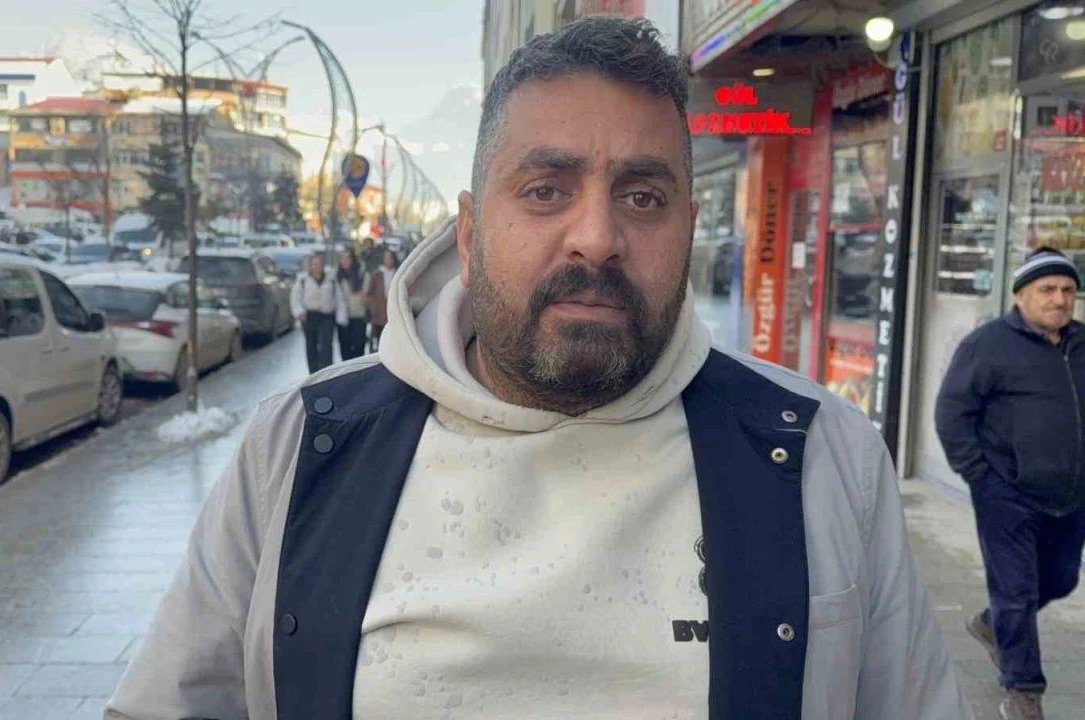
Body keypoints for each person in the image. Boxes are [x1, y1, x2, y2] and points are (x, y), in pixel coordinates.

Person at [106, 16, 970, 720]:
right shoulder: (299, 445)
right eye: (546, 190)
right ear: (470, 233)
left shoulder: (823, 457)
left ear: (688, 227)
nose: (596, 237)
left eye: (643, 197)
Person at [935, 246, 1085, 720]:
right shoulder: (988, 344)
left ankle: (994, 625)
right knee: (1015, 592)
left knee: (1061, 579)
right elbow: (952, 412)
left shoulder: (1082, 344)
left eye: (1068, 290)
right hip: (1007, 494)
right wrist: (981, 477)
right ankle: (1023, 690)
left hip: (1072, 495)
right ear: (1021, 296)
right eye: (1047, 289)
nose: (1059, 299)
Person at [289, 252, 347, 374]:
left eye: (320, 264)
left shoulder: (331, 279)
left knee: (326, 346)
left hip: (326, 316)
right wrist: (299, 312)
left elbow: (339, 298)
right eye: (315, 264)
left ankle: (327, 373)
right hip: (309, 316)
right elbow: (296, 298)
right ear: (310, 266)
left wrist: (341, 317)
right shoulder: (303, 280)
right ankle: (313, 374)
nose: (317, 267)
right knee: (311, 346)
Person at [336, 248, 369, 361]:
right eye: (342, 258)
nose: (344, 261)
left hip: (359, 315)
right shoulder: (337, 276)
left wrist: (364, 296)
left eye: (347, 258)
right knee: (345, 349)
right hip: (343, 317)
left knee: (359, 348)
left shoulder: (361, 275)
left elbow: (367, 293)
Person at [366, 247, 398, 352]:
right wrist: (373, 307)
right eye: (386, 258)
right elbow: (370, 293)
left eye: (390, 258)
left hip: (392, 314)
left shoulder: (397, 273)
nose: (388, 260)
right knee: (378, 341)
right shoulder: (377, 274)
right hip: (378, 314)